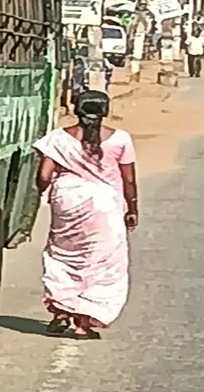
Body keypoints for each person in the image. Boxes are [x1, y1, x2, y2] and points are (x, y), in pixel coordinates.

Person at [33, 90, 138, 339]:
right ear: (105, 112)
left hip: (67, 201)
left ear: (76, 109)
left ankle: (61, 310)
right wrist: (132, 208)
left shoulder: (58, 137)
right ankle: (83, 323)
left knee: (63, 255)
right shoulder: (120, 139)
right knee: (103, 262)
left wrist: (44, 194)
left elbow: (44, 175)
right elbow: (129, 179)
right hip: (105, 206)